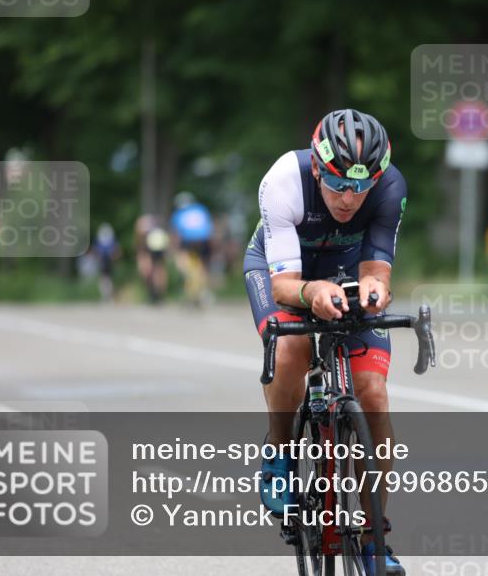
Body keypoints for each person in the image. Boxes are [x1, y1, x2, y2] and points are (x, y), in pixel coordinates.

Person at [242, 108, 406, 575]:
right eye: (337, 184)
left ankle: (374, 539)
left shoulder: (391, 187)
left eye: (361, 186)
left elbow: (376, 268)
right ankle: (279, 451)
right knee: (291, 349)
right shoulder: (284, 180)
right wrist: (313, 292)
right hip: (281, 271)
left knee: (373, 395)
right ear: (317, 167)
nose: (349, 198)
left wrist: (375, 290)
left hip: (344, 271)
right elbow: (285, 286)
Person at [170, 192, 214, 306]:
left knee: (185, 266)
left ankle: (191, 292)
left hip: (188, 241)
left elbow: (177, 234)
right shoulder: (201, 209)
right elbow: (209, 227)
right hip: (203, 241)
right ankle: (203, 292)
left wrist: (175, 249)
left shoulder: (179, 213)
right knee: (202, 267)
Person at [134, 214, 170, 304]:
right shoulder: (152, 229)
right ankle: (156, 295)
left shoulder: (146, 227)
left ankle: (156, 295)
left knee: (155, 273)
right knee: (154, 273)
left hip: (152, 251)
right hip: (151, 251)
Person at [92, 223, 121, 301]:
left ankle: (108, 296)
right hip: (104, 260)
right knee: (105, 278)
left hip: (107, 261)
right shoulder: (107, 240)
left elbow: (116, 251)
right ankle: (107, 296)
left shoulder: (107, 241)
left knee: (106, 278)